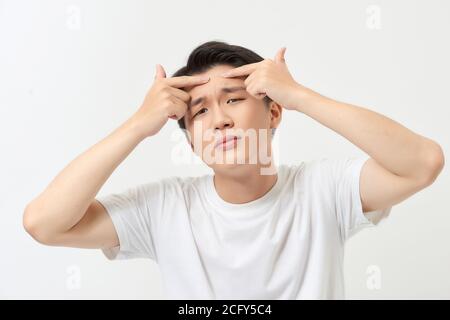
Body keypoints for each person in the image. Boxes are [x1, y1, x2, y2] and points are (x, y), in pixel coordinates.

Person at [23, 40, 445, 299]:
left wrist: (301, 95)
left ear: (274, 112)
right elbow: (45, 223)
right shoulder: (167, 208)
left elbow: (422, 164)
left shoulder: (323, 189)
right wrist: (138, 125)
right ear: (190, 139)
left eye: (234, 99)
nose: (220, 119)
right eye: (200, 110)